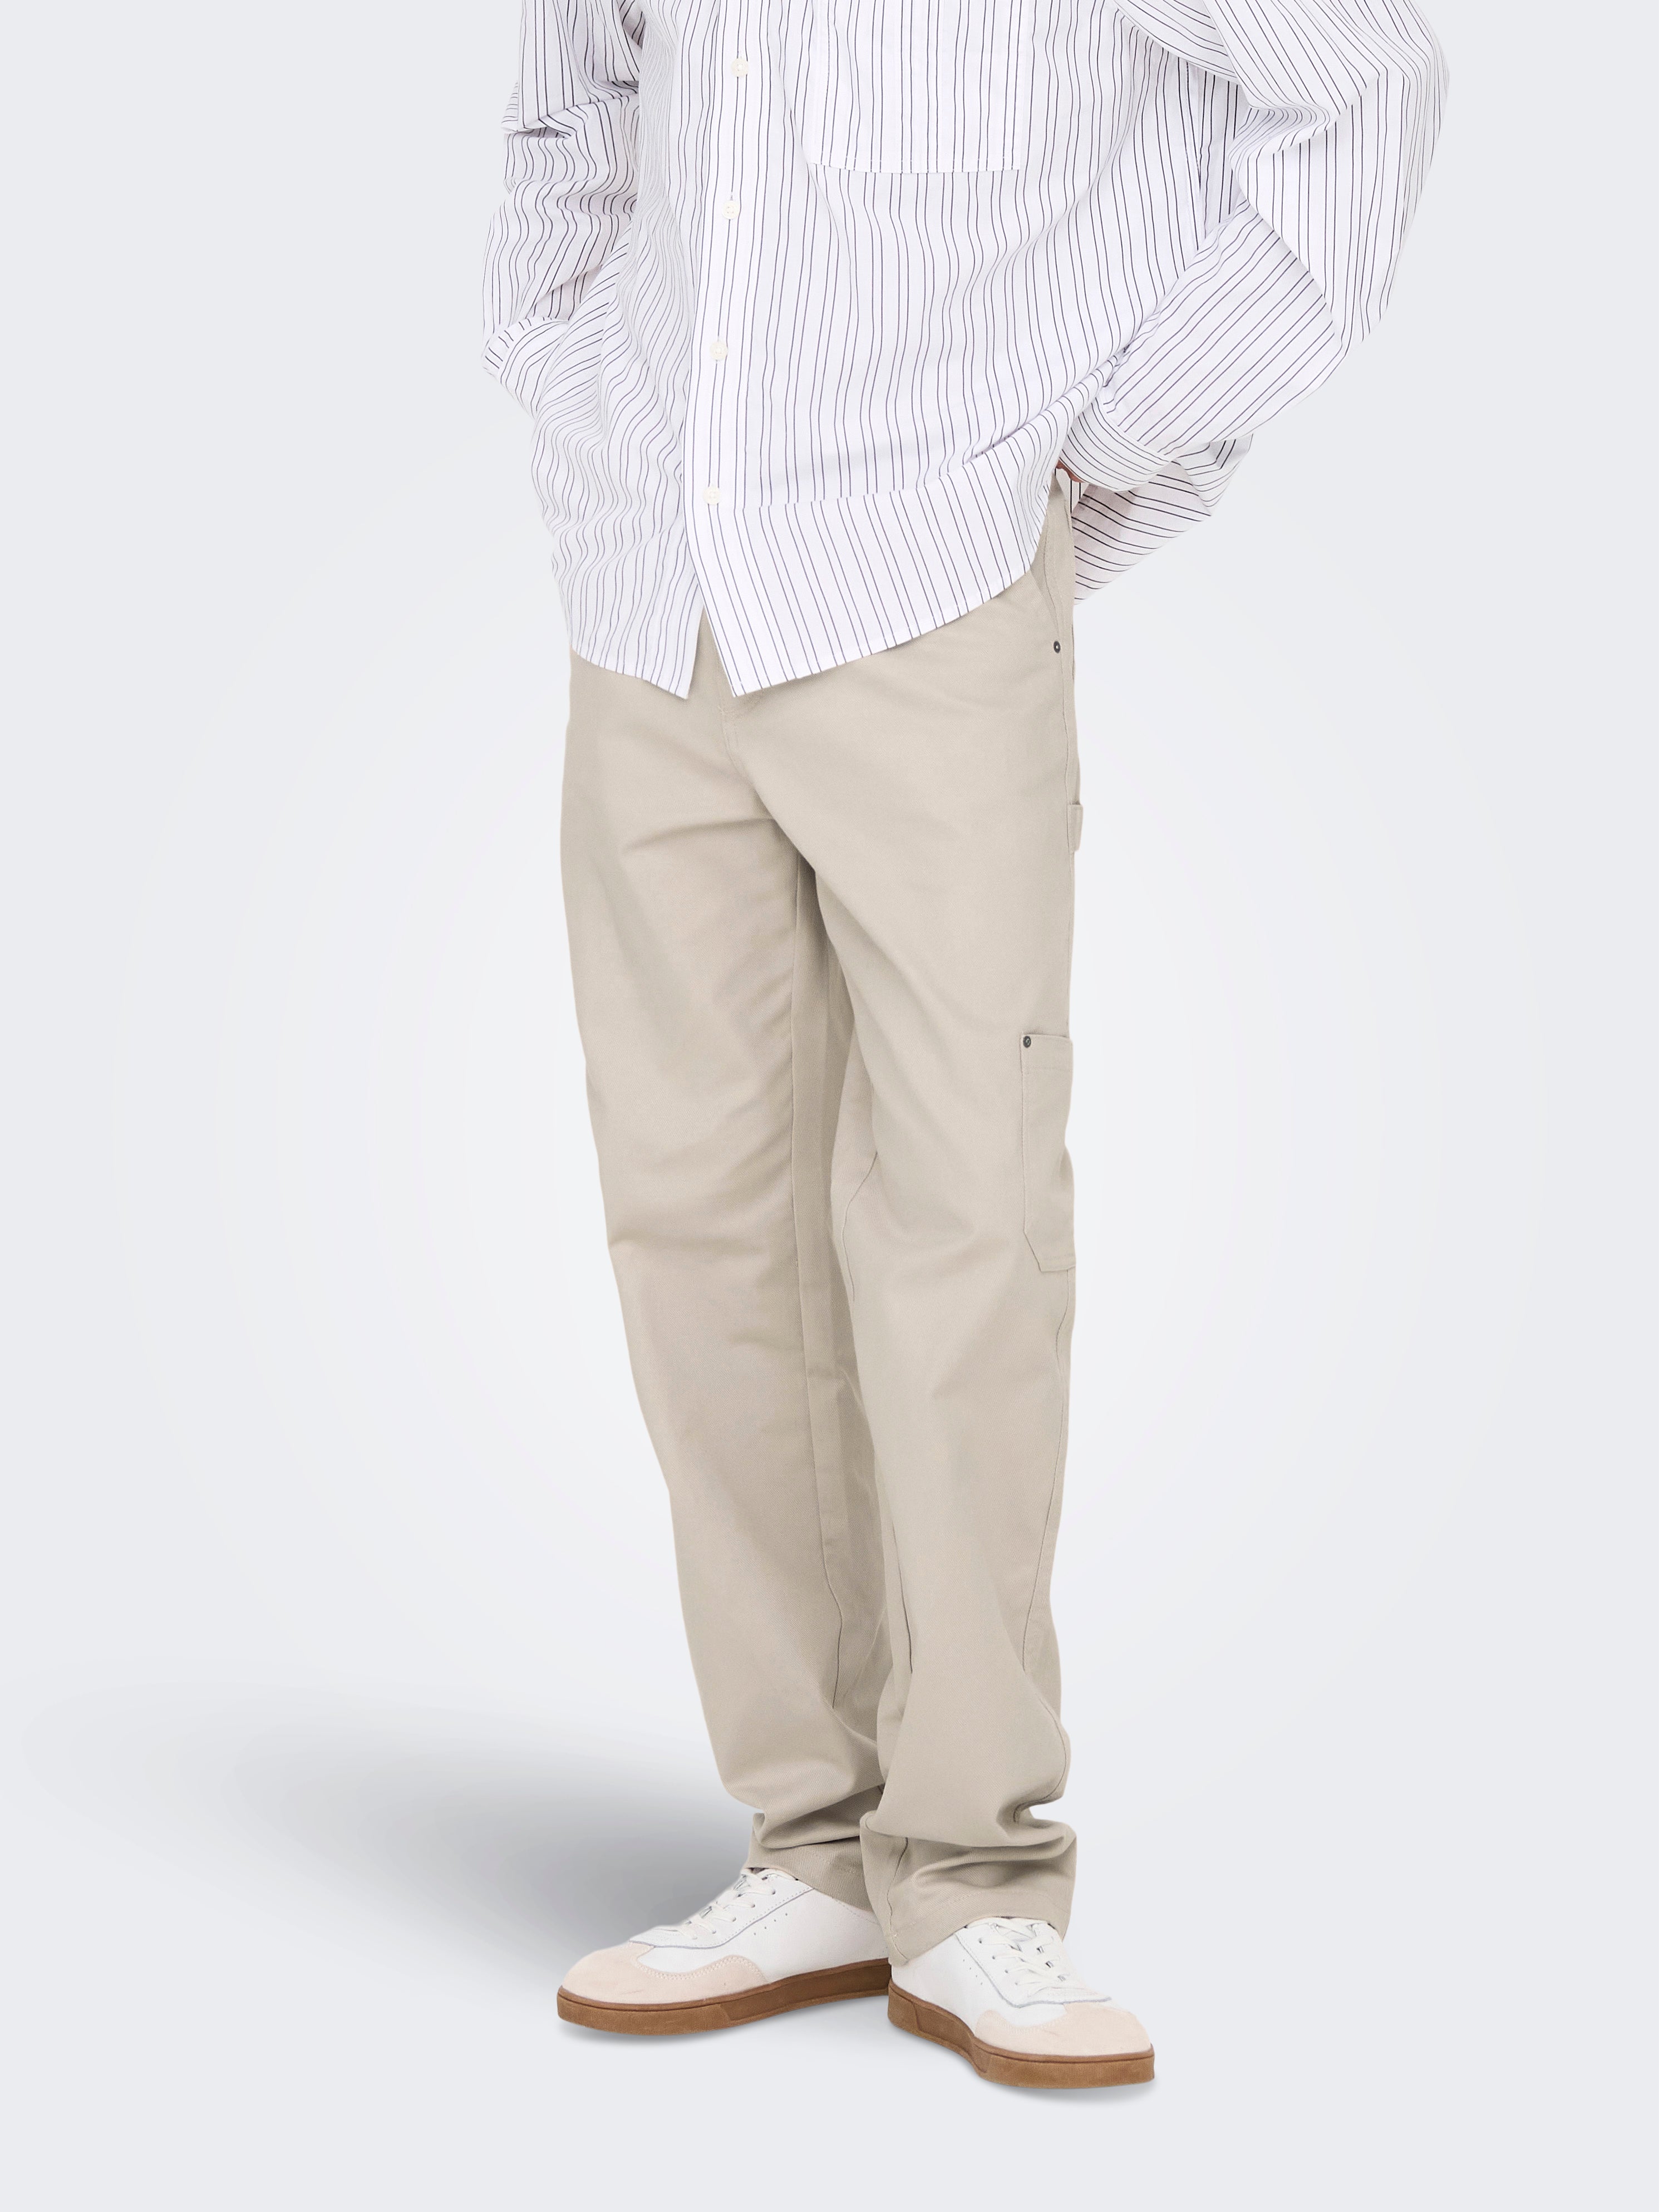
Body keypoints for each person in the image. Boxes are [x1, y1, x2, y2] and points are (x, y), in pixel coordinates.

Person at [483, 0, 1444, 2089]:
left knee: (966, 1221)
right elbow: (576, 102)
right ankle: (812, 1846)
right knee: (697, 1226)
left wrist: (1097, 443)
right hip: (652, 591)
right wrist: (580, 386)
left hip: (926, 571)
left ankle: (976, 1870)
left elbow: (1361, 79)